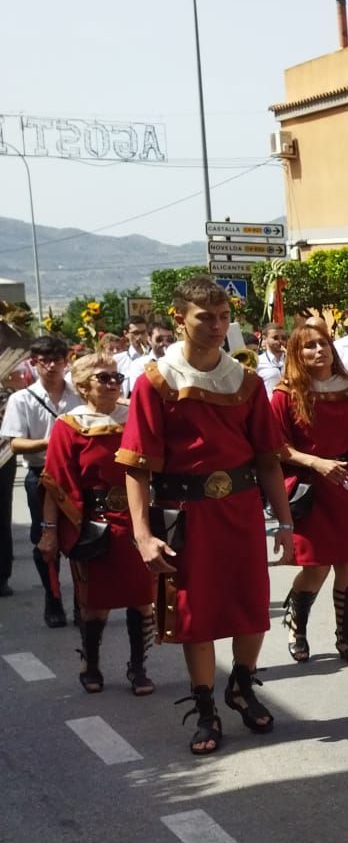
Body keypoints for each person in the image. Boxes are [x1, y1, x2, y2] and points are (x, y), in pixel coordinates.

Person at [121, 276, 295, 756]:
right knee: (195, 617)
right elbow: (136, 466)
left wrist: (284, 522)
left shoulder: (247, 381)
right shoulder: (155, 382)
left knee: (251, 607)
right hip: (184, 515)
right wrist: (142, 535)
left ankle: (241, 686)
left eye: (223, 318)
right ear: (180, 318)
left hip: (239, 511)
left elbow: (267, 459)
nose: (218, 326)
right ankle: (204, 709)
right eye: (206, 317)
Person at [37, 351, 155, 694]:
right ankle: (91, 662)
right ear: (82, 385)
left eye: (116, 377)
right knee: (96, 604)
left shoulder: (133, 417)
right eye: (103, 378)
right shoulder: (69, 425)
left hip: (137, 520)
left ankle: (138, 667)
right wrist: (49, 533)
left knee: (141, 597)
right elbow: (55, 484)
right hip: (94, 524)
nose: (112, 383)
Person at [270, 321, 348, 665]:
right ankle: (297, 626)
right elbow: (277, 448)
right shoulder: (285, 394)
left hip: (345, 485)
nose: (318, 350)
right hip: (308, 489)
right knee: (316, 568)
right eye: (309, 346)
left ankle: (345, 639)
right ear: (297, 354)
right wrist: (317, 462)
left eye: (323, 344)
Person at [4, 335, 84, 626]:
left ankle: (81, 602)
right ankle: (53, 601)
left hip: (77, 474)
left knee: (81, 538)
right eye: (45, 361)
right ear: (34, 363)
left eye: (57, 360)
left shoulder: (79, 394)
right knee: (44, 540)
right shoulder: (21, 399)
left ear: (66, 362)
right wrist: (48, 442)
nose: (52, 366)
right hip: (42, 475)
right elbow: (15, 444)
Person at [253, 322, 287, 388]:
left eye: (283, 338)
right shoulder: (258, 361)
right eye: (275, 338)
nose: (280, 341)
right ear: (264, 338)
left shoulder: (291, 359)